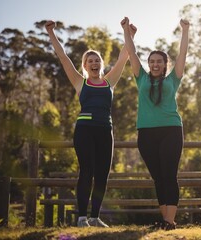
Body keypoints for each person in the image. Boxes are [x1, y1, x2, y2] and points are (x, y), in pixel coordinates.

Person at [45, 20, 136, 227]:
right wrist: (51, 33)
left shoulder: (110, 82)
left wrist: (129, 34)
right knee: (87, 171)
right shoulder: (80, 82)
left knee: (103, 173)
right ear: (85, 66)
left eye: (97, 61)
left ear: (101, 64)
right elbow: (63, 57)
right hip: (84, 130)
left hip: (105, 130)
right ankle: (82, 218)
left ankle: (95, 217)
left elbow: (124, 56)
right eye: (90, 61)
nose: (94, 63)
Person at [121, 17, 189, 230]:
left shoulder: (173, 79)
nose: (155, 64)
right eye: (152, 61)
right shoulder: (140, 77)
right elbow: (131, 53)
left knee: (169, 174)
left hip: (171, 130)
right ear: (148, 64)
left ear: (165, 64)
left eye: (159, 61)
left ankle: (170, 220)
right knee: (158, 177)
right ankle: (165, 219)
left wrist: (185, 30)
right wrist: (126, 30)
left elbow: (183, 54)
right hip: (146, 133)